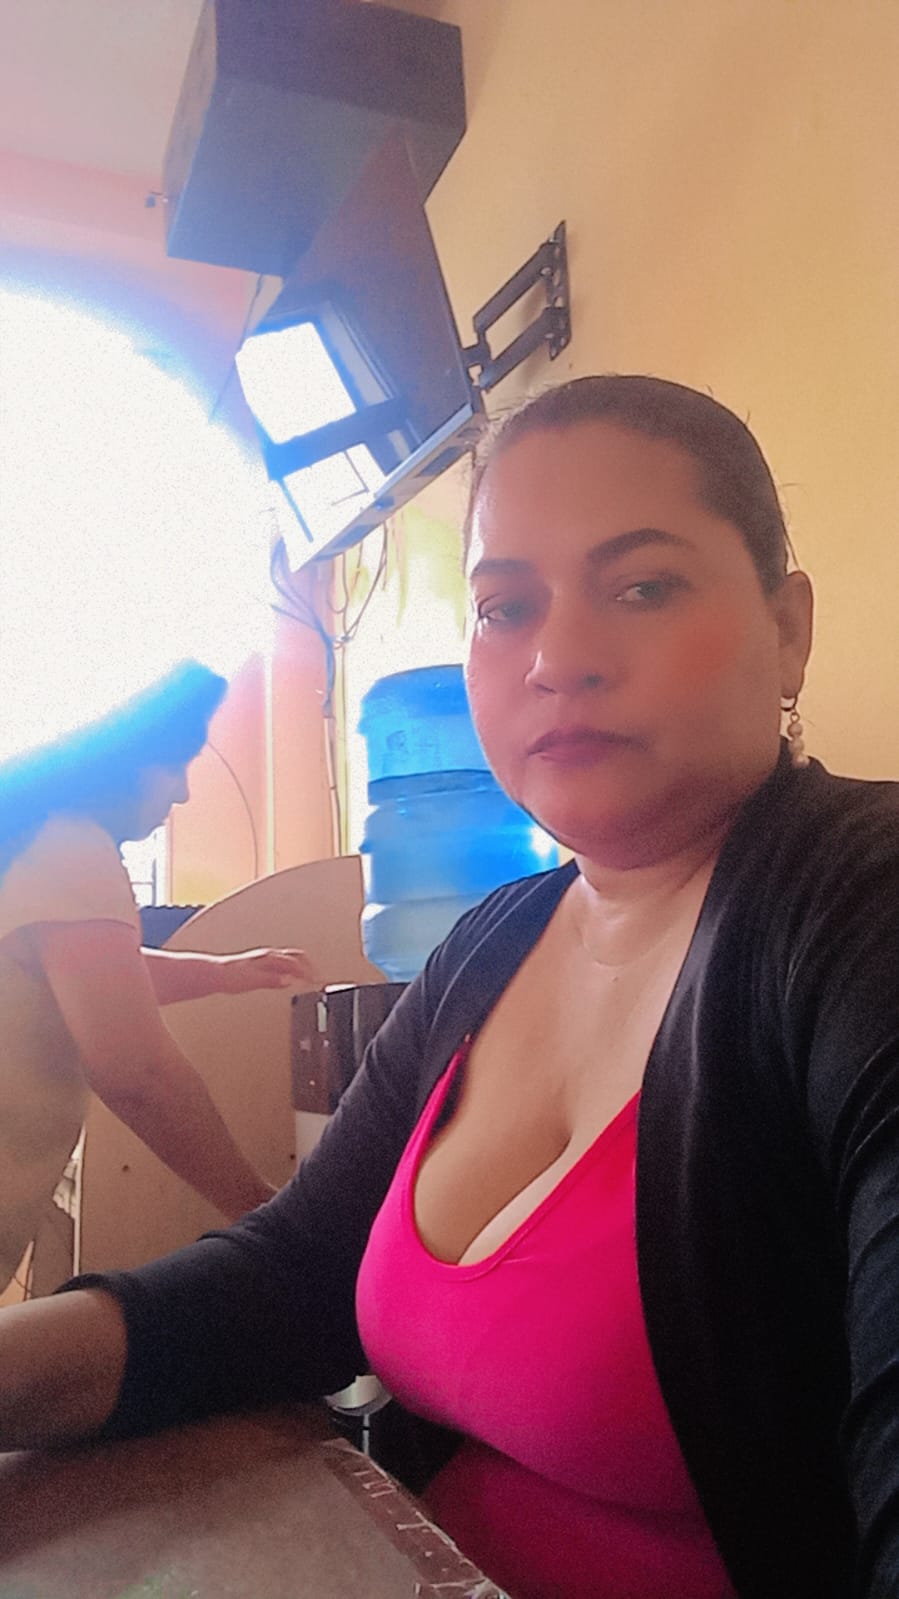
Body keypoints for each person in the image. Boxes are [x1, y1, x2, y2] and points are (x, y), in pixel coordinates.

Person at [1, 377, 897, 1599]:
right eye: (504, 607)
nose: (558, 660)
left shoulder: (859, 914)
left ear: (786, 627)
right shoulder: (492, 942)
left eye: (642, 586)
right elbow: (296, 1277)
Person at [0, 660, 317, 1294]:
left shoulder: (30, 836)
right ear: (120, 758)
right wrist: (266, 1216)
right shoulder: (71, 847)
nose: (182, 793)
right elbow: (138, 1073)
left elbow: (86, 977)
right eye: (175, 765)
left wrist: (223, 974)